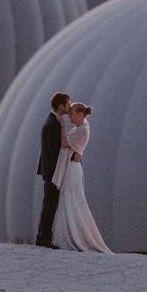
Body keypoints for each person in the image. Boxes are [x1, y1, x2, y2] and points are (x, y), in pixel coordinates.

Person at [51, 102, 111, 253]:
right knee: (68, 200)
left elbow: (65, 143)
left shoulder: (82, 130)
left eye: (71, 113)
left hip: (72, 169)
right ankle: (66, 234)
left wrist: (62, 126)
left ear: (79, 114)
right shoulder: (79, 128)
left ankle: (74, 236)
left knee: (71, 200)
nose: (69, 115)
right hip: (71, 167)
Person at [35, 90, 71, 248]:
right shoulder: (55, 123)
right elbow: (53, 151)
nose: (69, 107)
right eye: (68, 104)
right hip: (52, 172)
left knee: (49, 203)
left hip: (49, 171)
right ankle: (44, 238)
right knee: (50, 204)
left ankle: (43, 236)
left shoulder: (50, 121)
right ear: (61, 106)